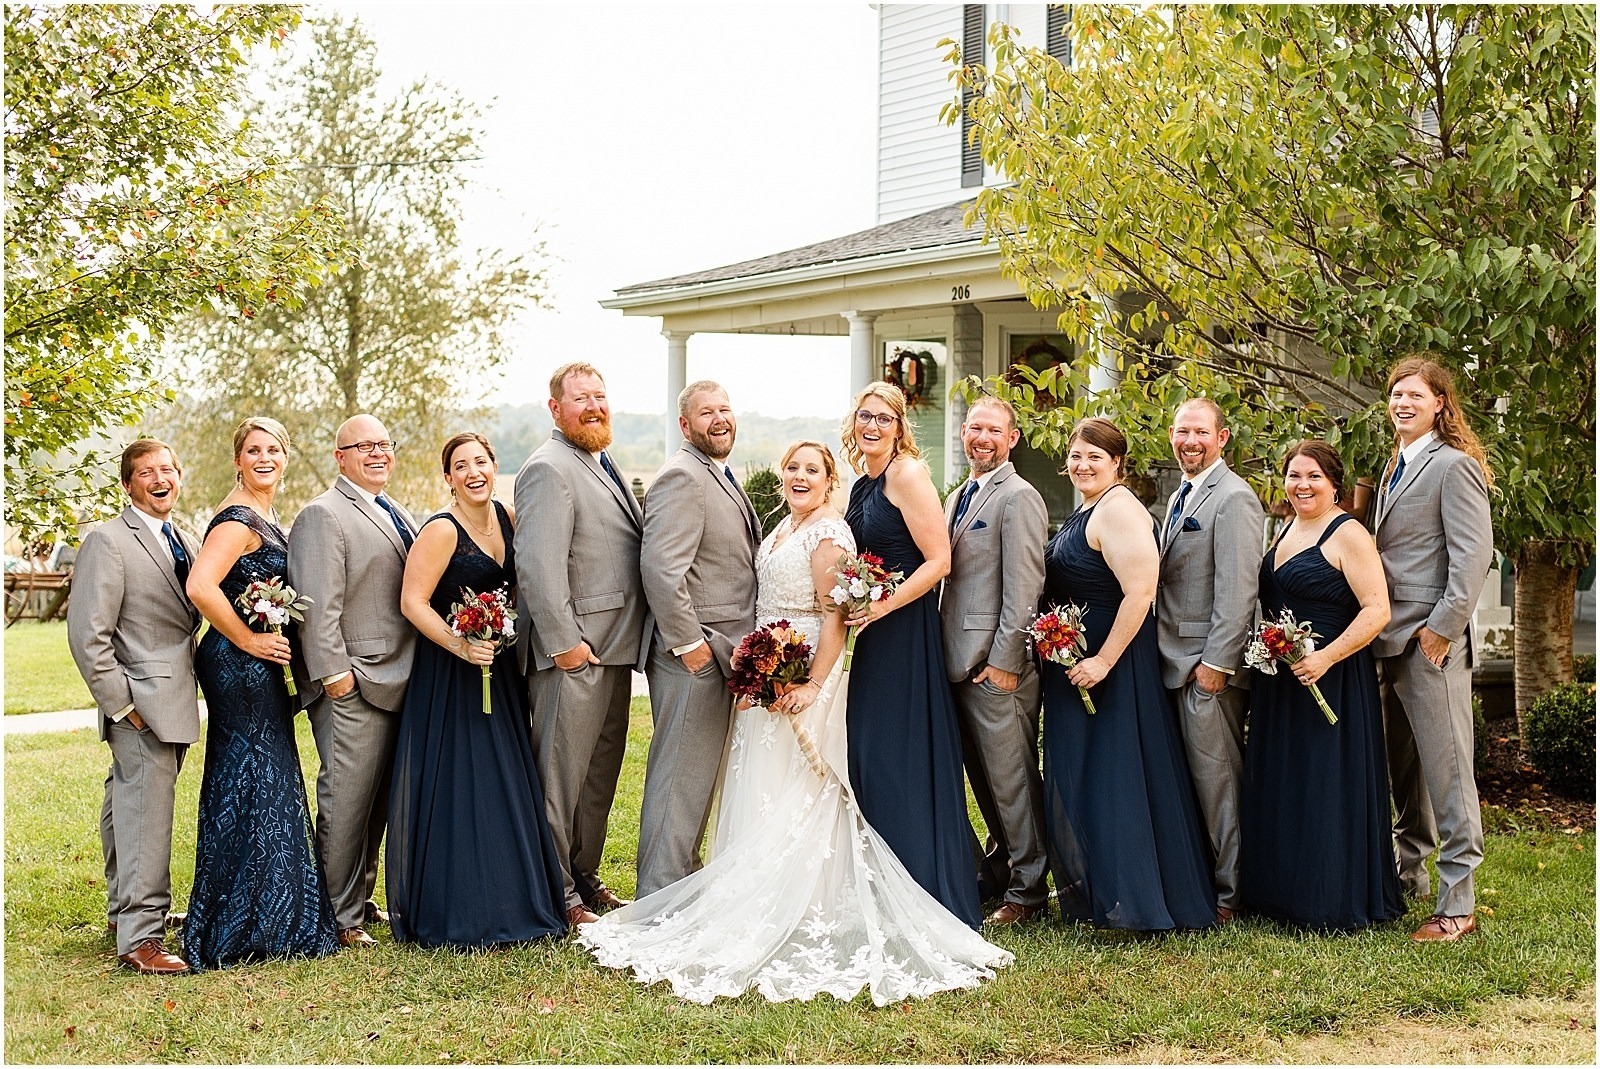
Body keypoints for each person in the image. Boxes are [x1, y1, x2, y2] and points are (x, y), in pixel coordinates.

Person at [579, 441, 1011, 1005]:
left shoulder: (829, 533)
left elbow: (833, 615)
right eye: (792, 467)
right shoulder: (784, 525)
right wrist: (760, 665)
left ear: (830, 480)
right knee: (761, 776)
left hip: (808, 672)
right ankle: (754, 892)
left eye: (812, 469)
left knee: (802, 784)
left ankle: (809, 901)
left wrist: (811, 683)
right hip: (771, 667)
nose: (800, 476)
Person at [385, 433, 568, 948]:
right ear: (448, 478)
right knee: (459, 783)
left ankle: (515, 896)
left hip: (499, 672)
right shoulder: (441, 531)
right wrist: (460, 645)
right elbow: (412, 602)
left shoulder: (508, 518)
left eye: (481, 462)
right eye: (460, 465)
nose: (473, 472)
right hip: (452, 674)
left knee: (504, 779)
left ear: (494, 466)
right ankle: (459, 906)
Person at [1040, 417, 1216, 932]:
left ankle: (1138, 899)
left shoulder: (1119, 510)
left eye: (1095, 457)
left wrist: (1102, 661)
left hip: (1111, 667)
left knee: (1120, 777)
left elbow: (1141, 591)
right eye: (1076, 455)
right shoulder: (1090, 507)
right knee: (1095, 775)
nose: (1082, 465)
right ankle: (1106, 891)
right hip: (1080, 661)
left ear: (1118, 463)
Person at [183, 417, 339, 969]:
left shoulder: (267, 513)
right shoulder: (237, 520)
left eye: (274, 449)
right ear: (238, 460)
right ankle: (250, 920)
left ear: (285, 456)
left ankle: (266, 910)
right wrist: (249, 638)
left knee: (263, 774)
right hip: (237, 662)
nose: (265, 458)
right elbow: (200, 586)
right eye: (254, 450)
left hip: (257, 661)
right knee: (253, 773)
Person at [1238, 441, 1403, 931]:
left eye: (1313, 476)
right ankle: (1279, 893)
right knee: (1285, 780)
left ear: (1334, 483)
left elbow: (1378, 610)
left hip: (1332, 678)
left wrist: (1325, 658)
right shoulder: (1287, 527)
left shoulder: (1348, 532)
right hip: (1283, 679)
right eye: (1293, 476)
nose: (1301, 485)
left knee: (1324, 783)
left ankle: (1327, 896)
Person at [513, 362, 651, 926]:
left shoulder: (600, 460)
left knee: (599, 776)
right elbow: (538, 565)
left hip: (613, 652)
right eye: (580, 399)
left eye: (600, 395)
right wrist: (564, 644)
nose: (594, 407)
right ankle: (558, 893)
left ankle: (585, 875)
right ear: (555, 408)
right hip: (575, 656)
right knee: (560, 781)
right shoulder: (548, 468)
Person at [841, 382, 981, 929]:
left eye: (883, 418)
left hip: (903, 631)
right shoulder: (861, 483)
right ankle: (881, 878)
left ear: (900, 427)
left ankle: (922, 881)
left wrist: (881, 607)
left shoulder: (907, 475)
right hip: (874, 634)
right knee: (871, 754)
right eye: (863, 416)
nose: (871, 426)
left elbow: (939, 560)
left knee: (899, 754)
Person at [67, 439, 201, 975]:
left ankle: (124, 914)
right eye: (147, 472)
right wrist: (123, 706)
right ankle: (141, 940)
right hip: (140, 703)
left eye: (168, 468)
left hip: (175, 700)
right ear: (128, 484)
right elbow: (87, 635)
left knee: (125, 808)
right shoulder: (107, 540)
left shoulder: (186, 540)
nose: (160, 478)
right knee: (147, 816)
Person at [1372, 357, 1495, 943]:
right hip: (1385, 641)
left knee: (1449, 775)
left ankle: (1458, 905)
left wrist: (1441, 629)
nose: (1402, 401)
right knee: (1407, 774)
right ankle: (1411, 876)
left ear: (1440, 403)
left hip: (1430, 644)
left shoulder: (1454, 467)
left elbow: (1473, 556)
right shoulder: (1395, 465)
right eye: (1396, 393)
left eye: (1415, 394)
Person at [287, 414, 418, 949]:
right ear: (339, 457)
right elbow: (317, 607)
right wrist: (335, 677)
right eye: (363, 446)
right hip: (354, 684)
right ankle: (338, 916)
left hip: (396, 680)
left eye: (384, 444)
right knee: (345, 801)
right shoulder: (323, 515)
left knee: (376, 802)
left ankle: (360, 899)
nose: (377, 453)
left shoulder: (396, 511)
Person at [635, 381, 759, 897]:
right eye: (706, 413)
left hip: (721, 655)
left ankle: (680, 890)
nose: (719, 419)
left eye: (725, 409)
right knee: (678, 784)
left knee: (696, 783)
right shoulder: (683, 477)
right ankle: (659, 902)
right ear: (685, 425)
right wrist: (690, 647)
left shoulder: (717, 474)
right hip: (696, 656)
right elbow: (662, 570)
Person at [939, 396, 1050, 924]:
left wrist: (1007, 659)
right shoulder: (960, 494)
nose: (981, 438)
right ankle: (1003, 867)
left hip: (996, 667)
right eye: (973, 428)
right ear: (963, 433)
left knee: (1013, 781)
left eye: (993, 430)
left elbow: (1024, 586)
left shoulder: (1019, 497)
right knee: (984, 780)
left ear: (1012, 439)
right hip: (957, 663)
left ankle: (1029, 892)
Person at [1155, 398, 1265, 924]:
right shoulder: (1181, 494)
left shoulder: (1235, 499)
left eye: (1200, 432)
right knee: (1195, 782)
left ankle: (1230, 895)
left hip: (1207, 669)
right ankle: (1204, 879)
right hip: (1172, 660)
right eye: (1182, 432)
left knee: (1219, 783)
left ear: (1222, 438)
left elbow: (1239, 589)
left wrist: (1217, 665)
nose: (1189, 442)